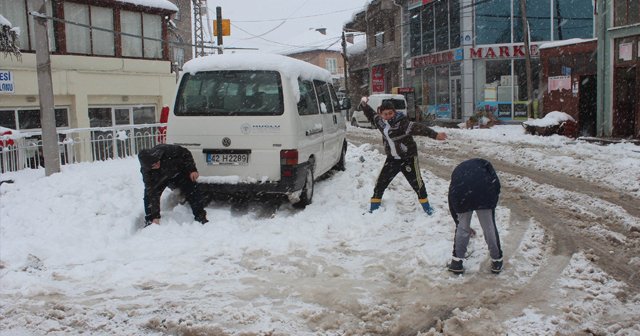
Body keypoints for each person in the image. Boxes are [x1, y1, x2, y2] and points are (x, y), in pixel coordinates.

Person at [360, 97, 447, 215]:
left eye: (390, 113)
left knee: (417, 184)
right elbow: (370, 114)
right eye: (385, 114)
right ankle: (374, 210)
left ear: (394, 112)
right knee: (381, 183)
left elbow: (419, 128)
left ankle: (427, 209)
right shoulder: (380, 122)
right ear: (381, 114)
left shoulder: (402, 123)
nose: (388, 116)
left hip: (408, 158)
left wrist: (435, 135)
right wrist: (363, 103)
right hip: (392, 159)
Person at [447, 158, 503, 274]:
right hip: (484, 192)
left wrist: (459, 223)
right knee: (489, 227)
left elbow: (452, 203)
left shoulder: (458, 174)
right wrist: (491, 204)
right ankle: (497, 261)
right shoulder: (486, 165)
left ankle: (456, 262)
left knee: (462, 228)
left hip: (461, 193)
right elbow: (496, 186)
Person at [138, 144, 208, 227]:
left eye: (157, 161)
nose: (157, 165)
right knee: (149, 194)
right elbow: (151, 192)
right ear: (148, 167)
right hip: (160, 179)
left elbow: (186, 153)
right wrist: (155, 216)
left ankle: (200, 216)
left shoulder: (168, 151)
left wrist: (192, 170)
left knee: (192, 189)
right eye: (154, 165)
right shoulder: (147, 172)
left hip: (178, 173)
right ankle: (150, 221)